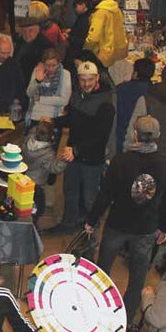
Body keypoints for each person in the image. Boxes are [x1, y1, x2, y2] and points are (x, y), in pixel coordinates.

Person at [86, 116, 166, 322]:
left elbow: (105, 194)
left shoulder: (120, 161)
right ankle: (127, 314)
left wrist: (92, 220)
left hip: (118, 223)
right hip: (146, 227)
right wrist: (165, 227)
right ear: (158, 136)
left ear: (135, 134)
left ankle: (97, 304)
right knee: (138, 274)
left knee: (103, 267)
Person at [49, 61, 115, 234]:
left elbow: (100, 137)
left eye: (90, 80)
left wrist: (76, 150)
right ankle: (68, 224)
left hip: (92, 160)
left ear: (97, 78)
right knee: (69, 192)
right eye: (83, 80)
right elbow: (72, 120)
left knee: (90, 199)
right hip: (73, 155)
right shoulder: (77, 95)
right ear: (78, 79)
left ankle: (90, 232)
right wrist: (53, 121)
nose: (86, 84)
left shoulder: (106, 103)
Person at [112, 58, 153, 154]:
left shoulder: (121, 89)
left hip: (120, 138)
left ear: (135, 74)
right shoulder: (153, 92)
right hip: (143, 142)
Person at [84, 0, 128, 67]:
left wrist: (85, 49)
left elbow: (93, 37)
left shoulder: (100, 12)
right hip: (119, 53)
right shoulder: (116, 9)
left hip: (104, 56)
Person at [26, 48, 71, 124]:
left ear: (59, 62)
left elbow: (64, 100)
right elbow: (29, 94)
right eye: (48, 65)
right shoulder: (37, 71)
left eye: (54, 65)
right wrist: (37, 81)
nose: (51, 69)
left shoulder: (65, 74)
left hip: (53, 117)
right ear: (43, 63)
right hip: (35, 115)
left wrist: (40, 99)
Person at [65, 0, 93, 70]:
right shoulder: (87, 16)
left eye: (76, 6)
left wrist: (69, 37)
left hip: (78, 52)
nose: (75, 9)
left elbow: (82, 37)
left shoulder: (84, 19)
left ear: (83, 5)